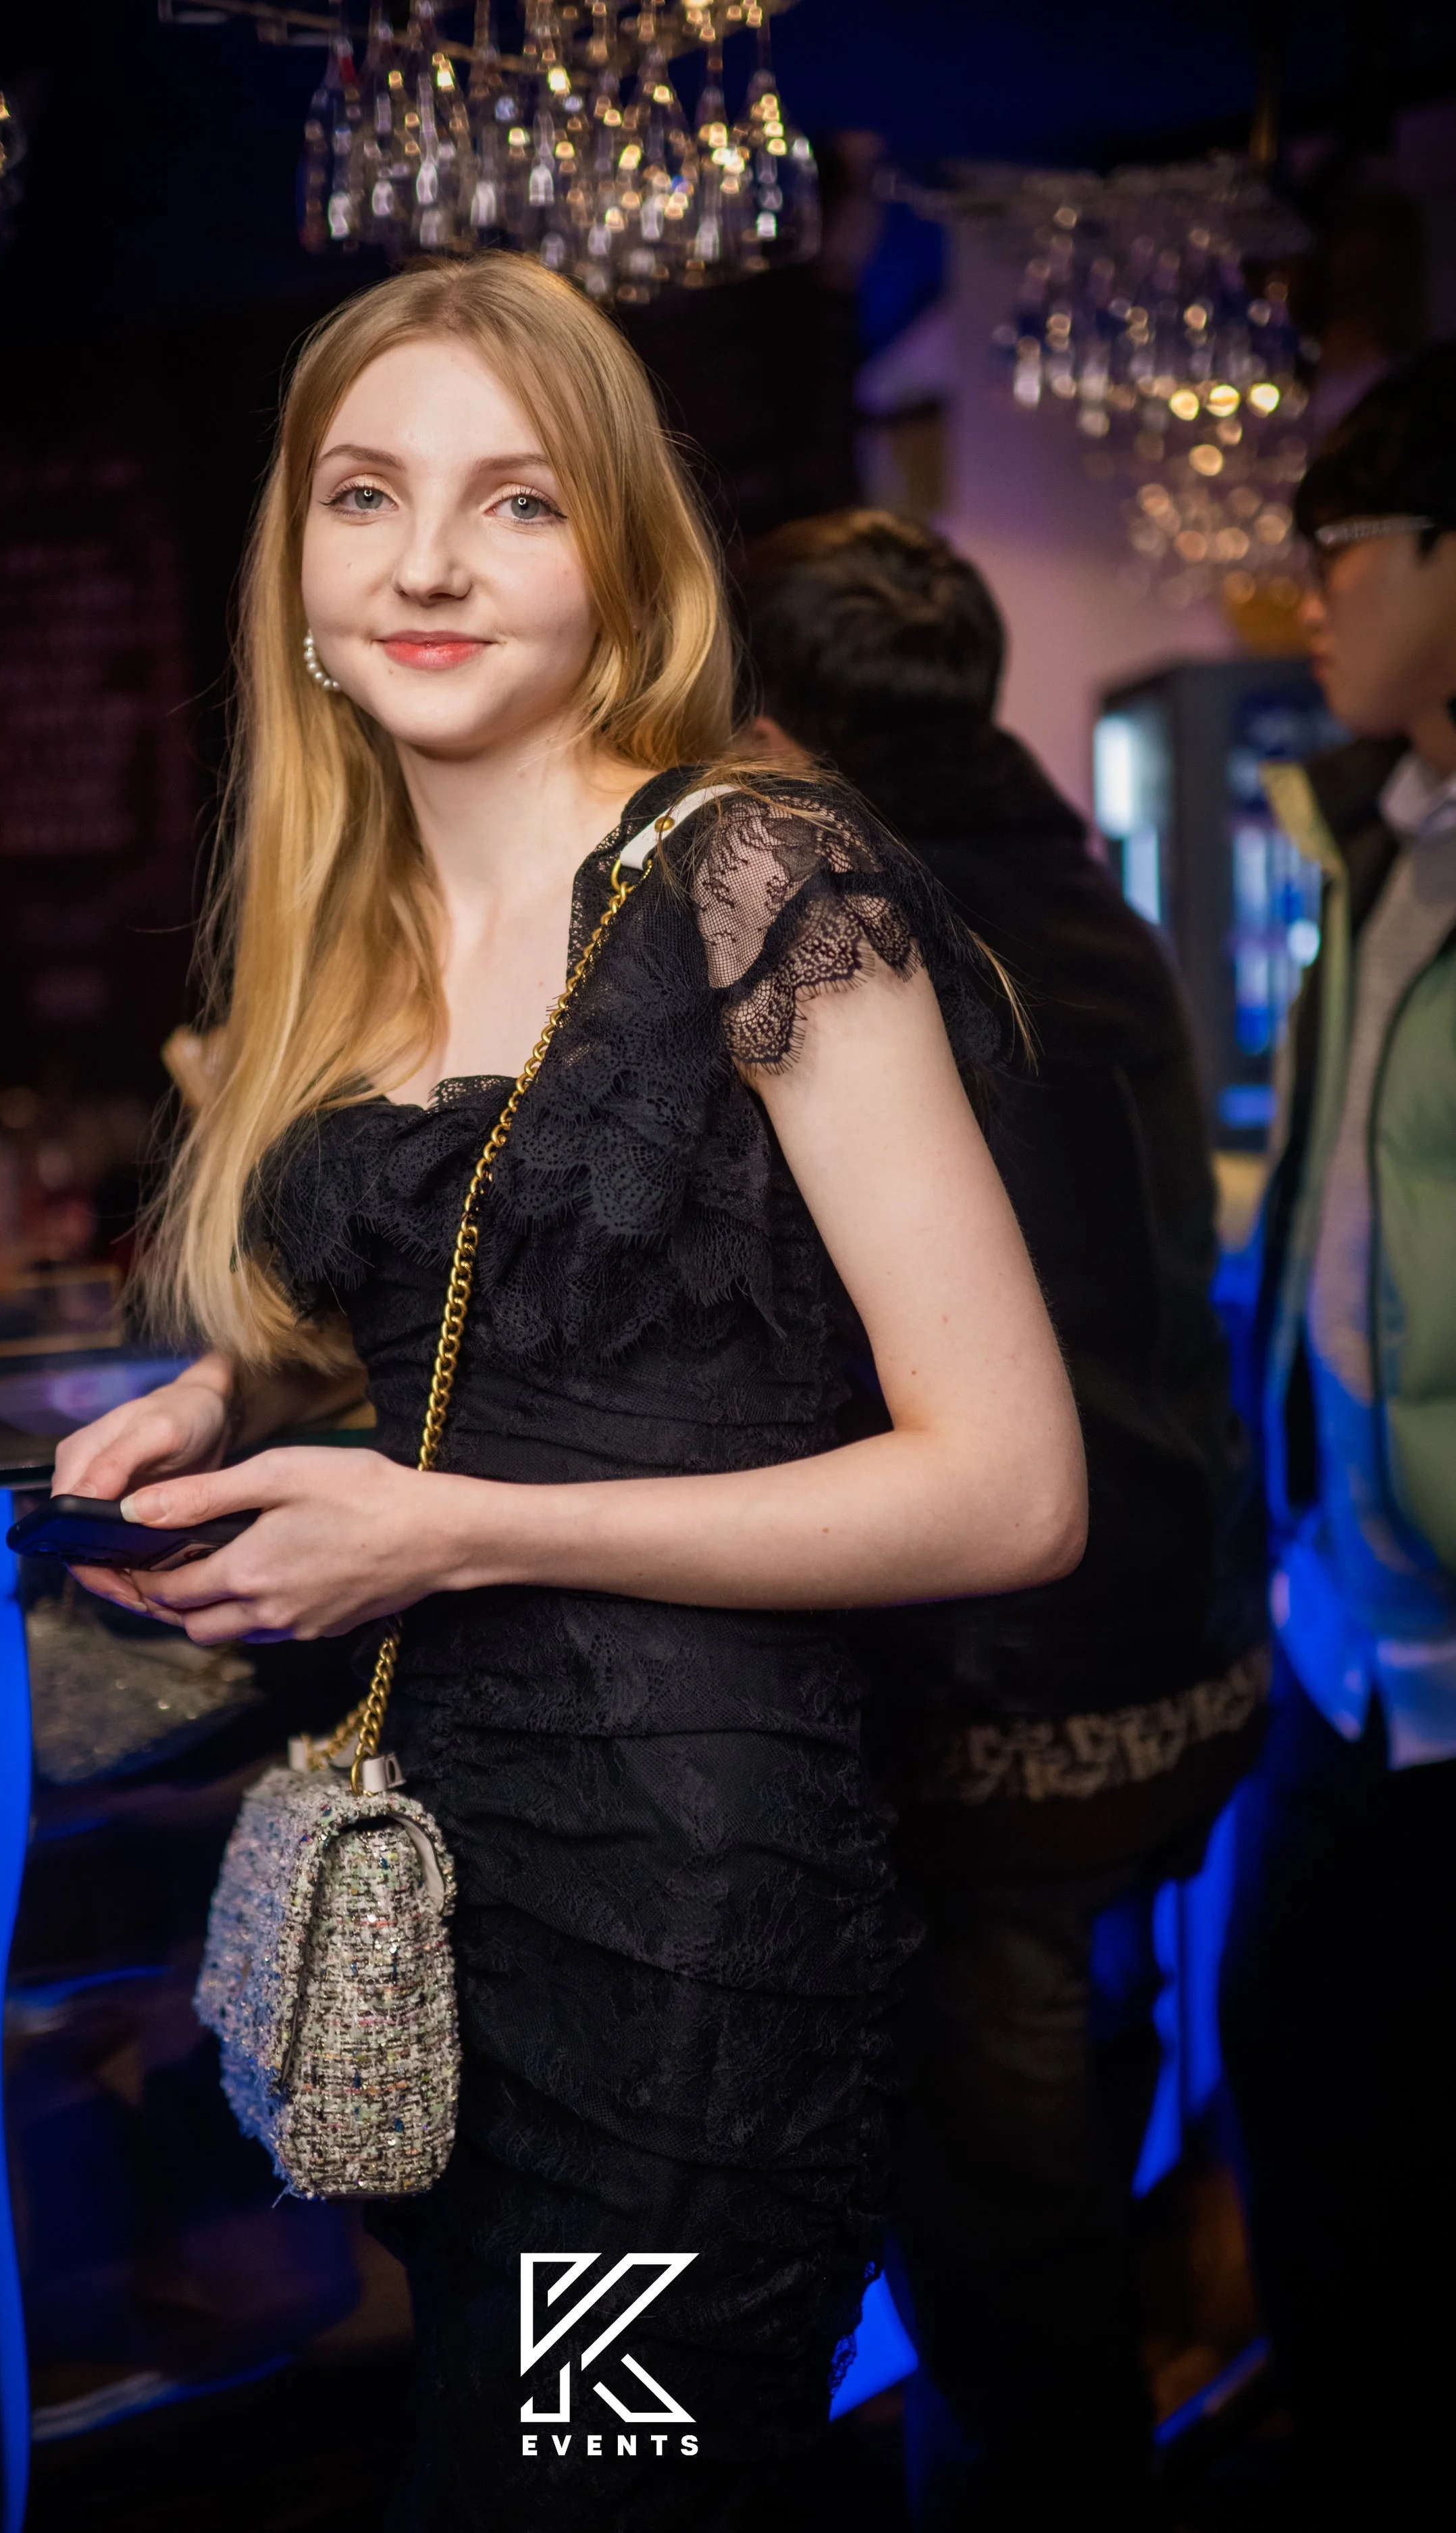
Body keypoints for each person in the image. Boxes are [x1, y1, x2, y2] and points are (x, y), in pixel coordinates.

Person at [49, 258, 1085, 2532]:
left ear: (619, 556)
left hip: (683, 1941)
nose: (426, 560)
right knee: (517, 2467)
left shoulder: (753, 876)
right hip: (444, 1920)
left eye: (512, 500)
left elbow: (1010, 1486)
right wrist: (225, 1395)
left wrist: (447, 1528)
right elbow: (496, 1297)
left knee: (590, 2496)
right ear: (295, 570)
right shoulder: (356, 933)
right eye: (365, 495)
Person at [742, 511, 1264, 2533]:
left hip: (1002, 1689)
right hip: (1162, 1638)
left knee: (1009, 2266)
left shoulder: (865, 932)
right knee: (1064, 2172)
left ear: (777, 722)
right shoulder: (1077, 890)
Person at [1220, 341, 1456, 2528]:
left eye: (1344, 552)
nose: (1309, 600)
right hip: (1340, 1633)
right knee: (1304, 2100)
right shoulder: (1378, 850)